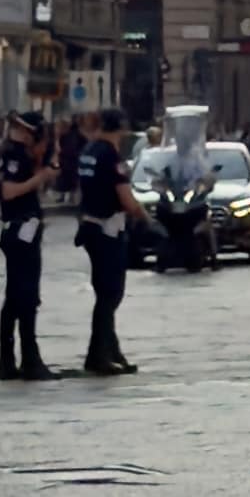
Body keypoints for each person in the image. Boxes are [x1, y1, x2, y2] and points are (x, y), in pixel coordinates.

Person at [74, 125, 140, 379]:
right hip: (108, 229)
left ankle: (109, 352)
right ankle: (100, 356)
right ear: (120, 131)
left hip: (89, 226)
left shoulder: (88, 151)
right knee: (111, 295)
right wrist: (145, 219)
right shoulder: (112, 157)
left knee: (104, 293)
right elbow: (125, 197)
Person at [0, 130, 51, 383]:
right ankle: (26, 360)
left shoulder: (17, 156)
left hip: (23, 232)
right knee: (24, 297)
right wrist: (40, 178)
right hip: (20, 233)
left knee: (17, 298)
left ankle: (15, 360)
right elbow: (8, 191)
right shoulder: (17, 157)